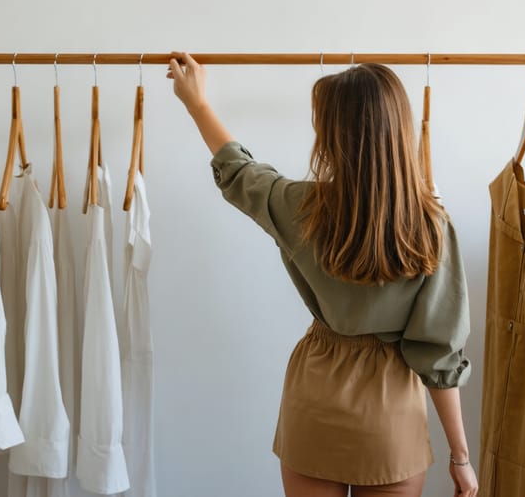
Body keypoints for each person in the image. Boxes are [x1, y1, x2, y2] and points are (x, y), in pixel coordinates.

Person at [166, 52, 479, 497]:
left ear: (334, 138)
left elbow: (239, 171)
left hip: (315, 399)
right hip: (390, 418)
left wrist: (196, 102)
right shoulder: (431, 227)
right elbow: (440, 357)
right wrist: (460, 456)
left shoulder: (301, 208)